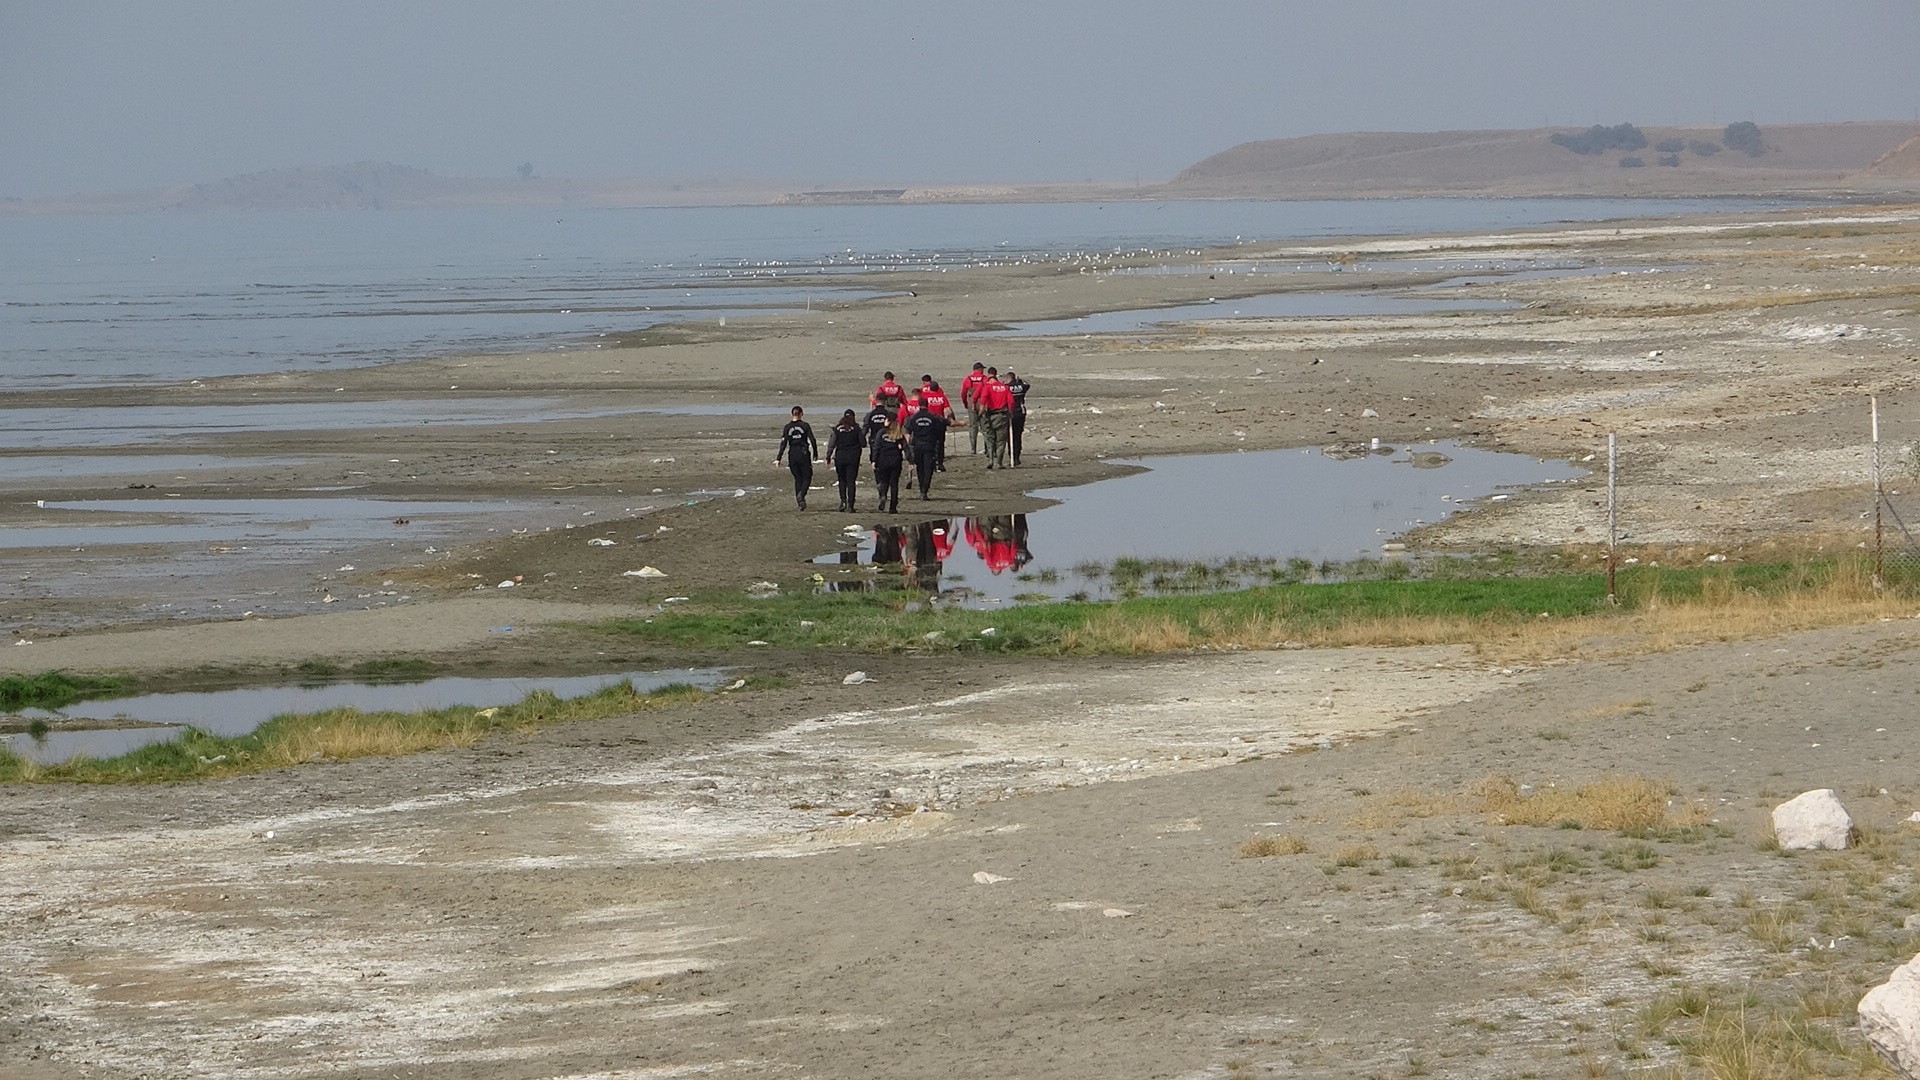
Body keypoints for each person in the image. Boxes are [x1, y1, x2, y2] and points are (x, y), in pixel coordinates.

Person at [774, 405, 818, 510]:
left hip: (792, 454)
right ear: (802, 414)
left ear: (791, 415)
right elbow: (812, 439)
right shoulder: (805, 426)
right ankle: (801, 495)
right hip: (803, 453)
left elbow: (783, 443)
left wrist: (778, 458)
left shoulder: (787, 427)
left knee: (798, 478)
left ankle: (799, 502)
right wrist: (815, 453)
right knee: (807, 476)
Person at [824, 409, 866, 512]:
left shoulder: (837, 429)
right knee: (851, 481)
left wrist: (828, 457)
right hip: (853, 458)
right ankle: (851, 505)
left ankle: (843, 502)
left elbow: (832, 444)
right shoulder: (856, 428)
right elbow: (863, 443)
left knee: (842, 480)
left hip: (840, 457)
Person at [905, 402, 947, 499]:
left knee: (920, 468)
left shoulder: (914, 417)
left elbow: (907, 430)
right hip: (929, 445)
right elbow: (940, 428)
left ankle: (921, 489)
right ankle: (924, 490)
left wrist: (909, 443)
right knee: (928, 468)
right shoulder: (932, 417)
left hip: (918, 445)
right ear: (927, 405)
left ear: (919, 405)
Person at [870, 412, 906, 513]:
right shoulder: (898, 434)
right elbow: (905, 447)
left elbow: (876, 447)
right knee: (894, 484)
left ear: (888, 421)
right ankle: (893, 506)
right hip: (895, 461)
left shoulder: (881, 433)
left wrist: (874, 460)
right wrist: (911, 460)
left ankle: (883, 496)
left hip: (883, 460)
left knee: (884, 481)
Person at [979, 366, 1013, 469]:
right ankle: (999, 462)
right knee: (1001, 441)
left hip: (990, 416)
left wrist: (980, 413)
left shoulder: (988, 387)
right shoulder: (1004, 387)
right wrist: (1010, 412)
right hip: (1002, 416)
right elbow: (1011, 401)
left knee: (989, 439)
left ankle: (990, 460)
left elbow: (983, 400)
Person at [920, 379, 955, 471]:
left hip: (929, 422)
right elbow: (948, 410)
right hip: (940, 422)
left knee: (930, 442)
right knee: (940, 443)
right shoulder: (942, 397)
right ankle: (940, 462)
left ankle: (932, 461)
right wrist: (951, 419)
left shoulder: (926, 397)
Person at [959, 361, 989, 454]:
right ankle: (987, 448)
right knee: (985, 427)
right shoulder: (985, 378)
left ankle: (973, 449)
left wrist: (966, 404)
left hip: (971, 404)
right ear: (980, 369)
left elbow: (963, 393)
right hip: (982, 404)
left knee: (973, 427)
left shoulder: (967, 379)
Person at [1002, 369, 1031, 467]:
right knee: (1018, 436)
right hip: (1021, 413)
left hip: (1011, 413)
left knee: (1010, 436)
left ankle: (1012, 456)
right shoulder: (1021, 387)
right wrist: (1020, 380)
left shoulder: (1007, 387)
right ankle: (1017, 456)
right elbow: (1027, 385)